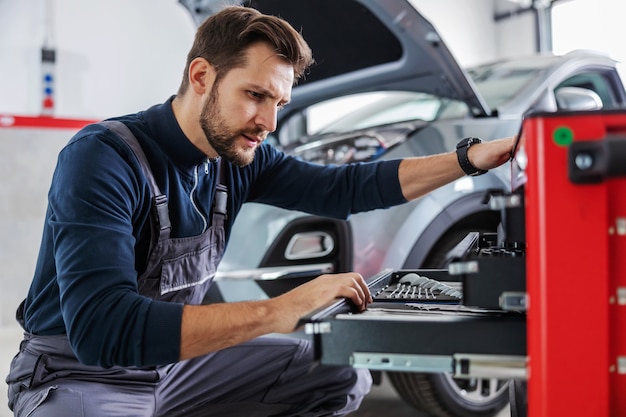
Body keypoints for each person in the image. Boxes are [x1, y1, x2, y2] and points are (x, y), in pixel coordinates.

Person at [6, 5, 515, 417]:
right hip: (79, 374)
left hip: (175, 368)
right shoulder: (103, 157)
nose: (268, 120)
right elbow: (103, 331)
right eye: (255, 95)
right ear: (202, 76)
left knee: (339, 371)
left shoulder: (237, 159)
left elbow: (344, 188)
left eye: (279, 102)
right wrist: (281, 309)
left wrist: (468, 159)